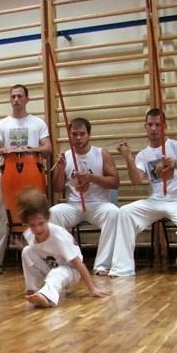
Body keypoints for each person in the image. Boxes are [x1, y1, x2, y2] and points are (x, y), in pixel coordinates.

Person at [109, 108, 177, 276]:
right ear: (145, 126)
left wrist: (176, 163)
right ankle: (122, 268)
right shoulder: (143, 155)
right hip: (155, 201)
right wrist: (128, 157)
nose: (153, 128)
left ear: (164, 126)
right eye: (150, 125)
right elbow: (136, 180)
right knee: (124, 212)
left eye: (158, 125)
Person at [0, 84, 52, 269]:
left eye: (20, 96)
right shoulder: (2, 124)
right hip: (8, 176)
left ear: (27, 99)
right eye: (13, 96)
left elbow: (48, 148)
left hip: (32, 173)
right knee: (3, 217)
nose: (16, 100)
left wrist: (33, 149)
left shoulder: (38, 123)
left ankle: (43, 257)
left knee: (37, 214)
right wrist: (6, 150)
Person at [16, 187, 111, 308]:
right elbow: (31, 251)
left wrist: (93, 288)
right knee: (27, 251)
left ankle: (47, 297)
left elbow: (78, 264)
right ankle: (34, 289)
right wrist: (22, 246)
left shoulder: (59, 237)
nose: (37, 229)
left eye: (41, 223)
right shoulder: (30, 234)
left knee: (57, 273)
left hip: (71, 270)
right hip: (51, 265)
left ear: (47, 218)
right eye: (32, 225)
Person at [50, 117, 120, 276]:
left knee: (114, 213)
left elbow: (115, 182)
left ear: (89, 134)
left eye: (82, 134)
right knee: (53, 213)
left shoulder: (101, 153)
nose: (78, 138)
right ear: (69, 135)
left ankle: (102, 265)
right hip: (74, 205)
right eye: (74, 134)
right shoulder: (66, 156)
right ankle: (65, 261)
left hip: (98, 204)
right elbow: (57, 188)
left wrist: (91, 177)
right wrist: (60, 169)